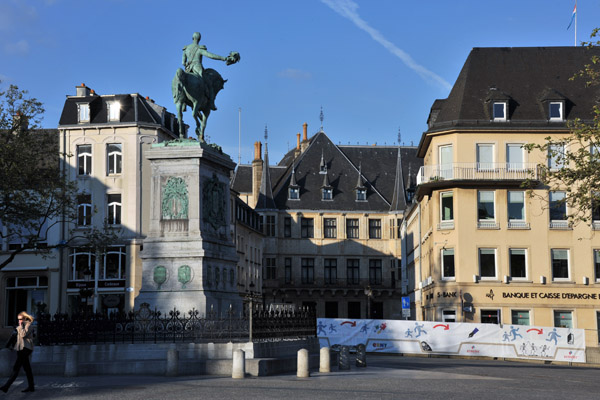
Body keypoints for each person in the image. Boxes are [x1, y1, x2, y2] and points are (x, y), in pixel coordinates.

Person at [182, 32, 229, 111]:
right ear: (199, 39)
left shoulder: (186, 48)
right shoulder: (199, 49)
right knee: (209, 84)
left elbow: (183, 62)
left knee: (182, 82)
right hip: (197, 68)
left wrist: (186, 63)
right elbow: (211, 56)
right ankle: (211, 103)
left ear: (192, 38)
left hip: (188, 69)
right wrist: (224, 58)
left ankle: (183, 103)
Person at [1, 311, 35, 393]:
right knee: (27, 369)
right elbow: (18, 339)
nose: (19, 321)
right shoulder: (21, 326)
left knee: (16, 368)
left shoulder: (28, 325)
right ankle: (31, 387)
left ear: (25, 318)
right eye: (18, 319)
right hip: (21, 349)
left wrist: (20, 327)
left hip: (26, 349)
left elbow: (23, 335)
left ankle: (6, 386)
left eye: (20, 319)